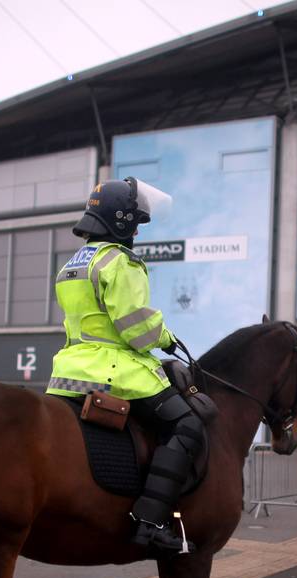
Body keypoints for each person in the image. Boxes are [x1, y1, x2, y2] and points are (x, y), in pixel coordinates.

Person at [46, 176, 200, 557]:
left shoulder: (73, 265)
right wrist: (165, 337)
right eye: (136, 223)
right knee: (187, 424)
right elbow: (136, 329)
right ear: (122, 222)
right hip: (115, 369)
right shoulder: (122, 262)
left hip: (69, 371)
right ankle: (150, 523)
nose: (137, 232)